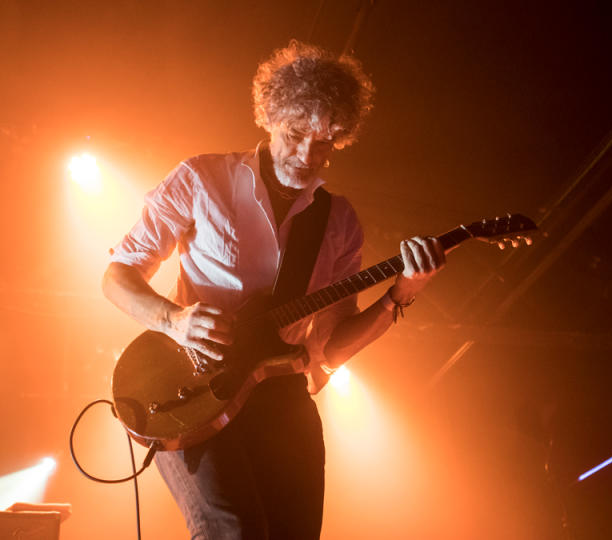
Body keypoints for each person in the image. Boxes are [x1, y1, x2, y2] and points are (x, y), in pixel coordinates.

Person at [102, 40, 445, 540]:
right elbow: (118, 276)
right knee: (233, 530)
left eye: (325, 141)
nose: (308, 154)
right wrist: (173, 320)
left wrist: (400, 295)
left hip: (282, 397)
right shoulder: (201, 179)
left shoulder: (339, 221)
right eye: (296, 133)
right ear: (269, 116)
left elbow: (329, 348)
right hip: (194, 387)